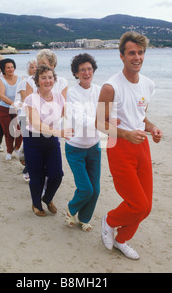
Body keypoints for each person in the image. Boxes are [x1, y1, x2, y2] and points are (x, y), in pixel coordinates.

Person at [96, 31, 163, 260]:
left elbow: (140, 116)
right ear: (122, 56)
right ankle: (109, 220)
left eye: (141, 53)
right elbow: (100, 123)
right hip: (119, 146)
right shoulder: (110, 87)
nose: (137, 57)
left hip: (141, 146)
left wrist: (152, 128)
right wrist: (126, 134)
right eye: (132, 53)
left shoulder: (148, 84)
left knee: (146, 206)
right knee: (137, 204)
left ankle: (121, 239)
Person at [23, 64, 73, 217]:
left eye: (50, 77)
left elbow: (69, 114)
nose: (47, 80)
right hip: (34, 140)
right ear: (37, 80)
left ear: (54, 80)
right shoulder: (31, 99)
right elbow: (37, 125)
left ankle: (48, 198)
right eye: (43, 78)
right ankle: (36, 204)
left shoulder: (58, 96)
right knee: (37, 176)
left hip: (51, 141)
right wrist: (59, 132)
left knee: (57, 174)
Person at [64, 53, 101, 232]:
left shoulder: (100, 90)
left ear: (93, 70)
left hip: (94, 147)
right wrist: (103, 123)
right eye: (82, 70)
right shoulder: (72, 93)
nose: (86, 73)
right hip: (75, 148)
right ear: (76, 73)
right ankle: (71, 209)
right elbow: (80, 119)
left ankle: (84, 219)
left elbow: (111, 111)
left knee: (96, 189)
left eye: (89, 69)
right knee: (86, 188)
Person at [0, 58, 23, 160]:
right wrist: (13, 103)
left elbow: (24, 93)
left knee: (19, 129)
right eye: (8, 67)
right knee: (8, 131)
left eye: (12, 67)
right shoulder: (1, 80)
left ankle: (17, 147)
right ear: (3, 69)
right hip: (4, 108)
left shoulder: (20, 79)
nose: (10, 69)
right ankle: (9, 151)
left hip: (17, 108)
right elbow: (1, 95)